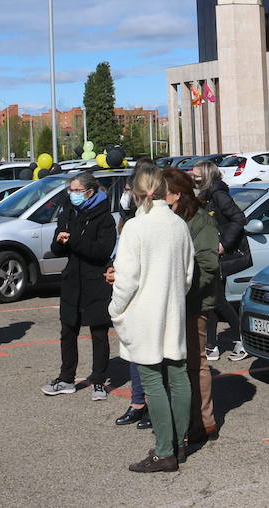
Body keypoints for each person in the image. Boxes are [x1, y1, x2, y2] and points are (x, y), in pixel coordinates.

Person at [109, 167, 194, 472]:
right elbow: (187, 276)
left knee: (152, 380)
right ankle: (180, 443)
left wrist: (115, 308)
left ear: (136, 192)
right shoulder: (178, 224)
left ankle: (164, 451)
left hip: (145, 312)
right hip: (173, 309)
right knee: (178, 374)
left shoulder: (135, 227)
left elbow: (126, 280)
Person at [41, 171, 117, 399]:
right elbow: (58, 249)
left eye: (76, 191)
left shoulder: (104, 217)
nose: (72, 194)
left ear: (89, 192)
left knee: (99, 332)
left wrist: (74, 239)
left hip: (96, 279)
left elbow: (101, 251)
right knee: (68, 329)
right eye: (70, 190)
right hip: (72, 278)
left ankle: (98, 381)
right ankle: (66, 378)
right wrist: (60, 241)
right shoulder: (69, 211)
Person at [164, 168, 221, 450]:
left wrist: (179, 284)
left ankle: (203, 421)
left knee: (195, 363)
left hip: (193, 304)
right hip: (169, 304)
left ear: (178, 194)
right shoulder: (167, 220)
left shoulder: (201, 223)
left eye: (165, 194)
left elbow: (208, 267)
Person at [114, 162, 160, 430]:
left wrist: (115, 307)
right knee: (134, 351)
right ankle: (137, 403)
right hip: (134, 296)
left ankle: (155, 407)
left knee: (155, 358)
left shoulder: (162, 220)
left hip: (149, 296)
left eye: (132, 188)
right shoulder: (132, 218)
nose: (127, 192)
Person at [191, 160, 248, 361]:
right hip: (208, 254)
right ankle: (212, 345)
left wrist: (223, 244)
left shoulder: (218, 194)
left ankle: (242, 339)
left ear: (206, 176)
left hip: (220, 255)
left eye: (197, 175)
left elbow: (239, 218)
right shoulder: (205, 196)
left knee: (217, 300)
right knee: (212, 300)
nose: (194, 178)